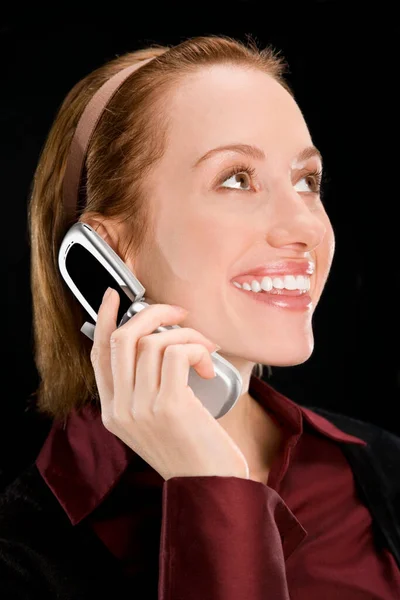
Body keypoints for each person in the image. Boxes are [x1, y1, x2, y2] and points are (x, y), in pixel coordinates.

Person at [1, 34, 399, 599]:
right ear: (106, 253)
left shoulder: (381, 470)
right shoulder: (23, 556)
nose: (308, 228)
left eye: (307, 182)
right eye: (237, 179)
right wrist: (213, 489)